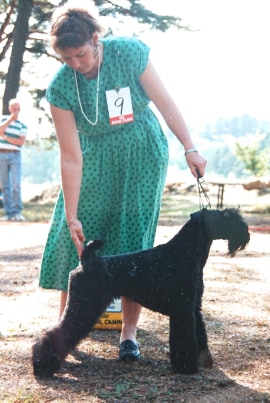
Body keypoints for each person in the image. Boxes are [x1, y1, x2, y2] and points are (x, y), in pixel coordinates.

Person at [39, 4, 207, 362]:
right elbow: (70, 156)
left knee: (133, 242)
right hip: (93, 160)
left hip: (142, 155)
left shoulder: (129, 53)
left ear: (95, 39)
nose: (75, 64)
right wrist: (71, 214)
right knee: (78, 244)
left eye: (80, 55)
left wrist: (189, 147)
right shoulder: (60, 87)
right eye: (66, 58)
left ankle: (128, 337)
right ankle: (63, 335)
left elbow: (165, 103)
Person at [0, 98, 27, 221]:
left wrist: (5, 137)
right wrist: (10, 120)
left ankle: (17, 212)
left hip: (15, 155)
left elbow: (20, 142)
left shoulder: (22, 126)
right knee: (5, 185)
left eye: (18, 109)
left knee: (16, 184)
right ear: (10, 108)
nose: (15, 111)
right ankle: (9, 213)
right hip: (2, 154)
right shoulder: (2, 121)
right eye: (13, 108)